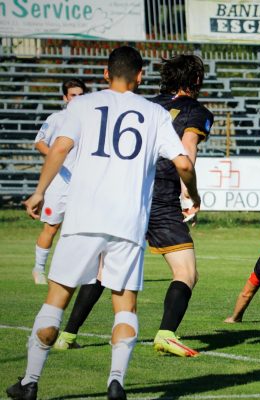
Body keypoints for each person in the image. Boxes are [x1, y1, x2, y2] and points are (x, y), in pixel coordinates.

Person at [6, 46, 200, 400]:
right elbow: (184, 163)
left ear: (105, 74)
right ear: (140, 76)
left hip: (83, 219)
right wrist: (194, 194)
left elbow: (60, 148)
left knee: (56, 300)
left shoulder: (81, 105)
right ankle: (116, 382)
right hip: (128, 224)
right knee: (125, 305)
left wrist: (38, 192)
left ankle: (30, 382)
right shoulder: (154, 113)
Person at [53, 54, 214, 357]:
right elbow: (187, 149)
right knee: (186, 272)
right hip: (164, 195)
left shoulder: (147, 105)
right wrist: (189, 194)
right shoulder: (196, 111)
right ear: (195, 81)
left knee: (103, 271)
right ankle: (166, 334)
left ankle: (67, 334)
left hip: (129, 193)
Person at [31, 79, 88, 285]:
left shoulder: (92, 119)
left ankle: (76, 272)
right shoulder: (57, 118)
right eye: (73, 95)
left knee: (81, 231)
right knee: (51, 227)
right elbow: (39, 142)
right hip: (59, 184)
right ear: (65, 98)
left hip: (83, 183)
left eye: (81, 95)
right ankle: (38, 269)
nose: (77, 99)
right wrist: (56, 156)